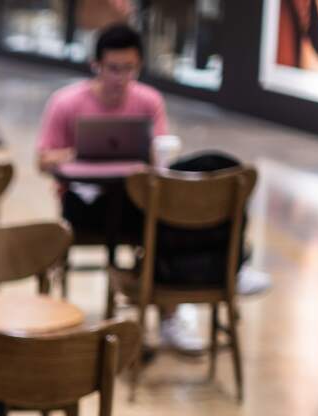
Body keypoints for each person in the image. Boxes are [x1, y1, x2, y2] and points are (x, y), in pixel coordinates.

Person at [37, 24, 204, 350]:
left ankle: (170, 311)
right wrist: (81, 153)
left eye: (130, 69)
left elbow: (159, 155)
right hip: (83, 204)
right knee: (154, 218)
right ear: (96, 65)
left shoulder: (148, 101)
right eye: (113, 68)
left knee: (169, 217)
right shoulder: (66, 102)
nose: (121, 77)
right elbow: (43, 161)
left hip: (134, 203)